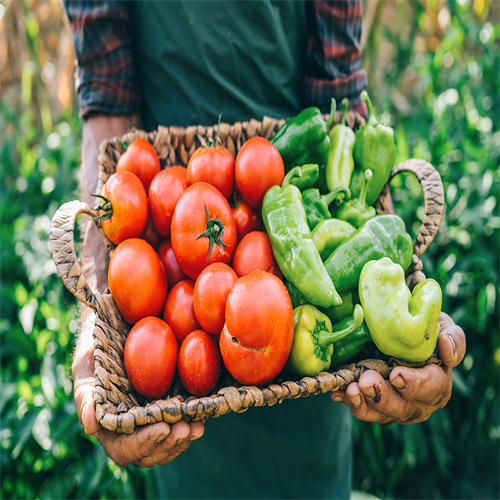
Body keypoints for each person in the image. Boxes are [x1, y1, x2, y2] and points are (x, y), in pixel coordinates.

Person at [64, 1, 466, 498]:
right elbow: (107, 101)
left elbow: (336, 104)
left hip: (302, 334)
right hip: (172, 346)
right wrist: (96, 309)